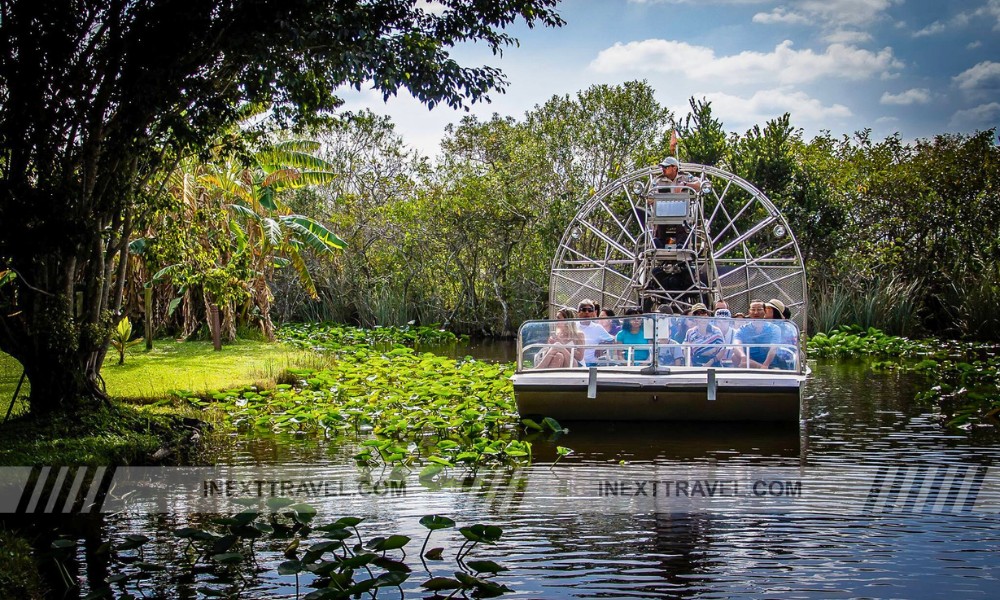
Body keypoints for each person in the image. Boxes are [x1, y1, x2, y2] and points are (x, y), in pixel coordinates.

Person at [650, 157, 703, 248]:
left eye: (666, 167)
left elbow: (699, 185)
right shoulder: (658, 181)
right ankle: (659, 243)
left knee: (681, 220)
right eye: (662, 167)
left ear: (674, 168)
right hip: (663, 213)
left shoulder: (685, 177)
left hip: (681, 213)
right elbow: (650, 196)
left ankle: (681, 244)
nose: (663, 169)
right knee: (659, 220)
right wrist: (652, 199)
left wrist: (685, 184)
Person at [735, 299, 781, 369]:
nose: (756, 312)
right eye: (753, 310)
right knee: (734, 357)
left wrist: (765, 365)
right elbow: (736, 345)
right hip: (748, 364)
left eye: (759, 310)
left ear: (765, 312)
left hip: (770, 365)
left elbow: (773, 348)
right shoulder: (742, 329)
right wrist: (743, 356)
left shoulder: (774, 328)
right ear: (749, 312)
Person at [576, 299, 615, 366]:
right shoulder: (573, 326)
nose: (587, 312)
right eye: (584, 310)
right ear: (578, 312)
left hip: (590, 364)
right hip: (574, 363)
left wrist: (601, 346)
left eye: (590, 310)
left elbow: (613, 340)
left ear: (593, 313)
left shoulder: (597, 328)